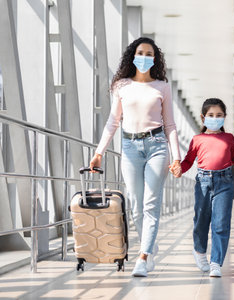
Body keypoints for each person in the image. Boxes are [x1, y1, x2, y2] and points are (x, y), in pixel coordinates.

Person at [89, 37, 181, 277]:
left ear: (155, 59)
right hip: (129, 147)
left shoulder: (162, 87)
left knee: (151, 204)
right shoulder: (122, 86)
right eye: (140, 52)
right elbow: (112, 122)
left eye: (149, 54)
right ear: (132, 55)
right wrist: (99, 152)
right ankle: (148, 246)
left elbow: (170, 124)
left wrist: (177, 157)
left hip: (157, 146)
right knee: (135, 205)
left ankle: (143, 256)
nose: (144, 57)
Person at [170, 98, 234, 277]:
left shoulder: (229, 138)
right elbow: (188, 161)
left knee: (221, 223)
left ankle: (216, 262)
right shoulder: (197, 139)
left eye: (219, 115)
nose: (215, 118)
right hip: (203, 183)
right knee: (201, 220)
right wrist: (179, 170)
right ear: (203, 117)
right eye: (211, 115)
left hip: (225, 182)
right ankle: (200, 251)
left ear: (224, 117)